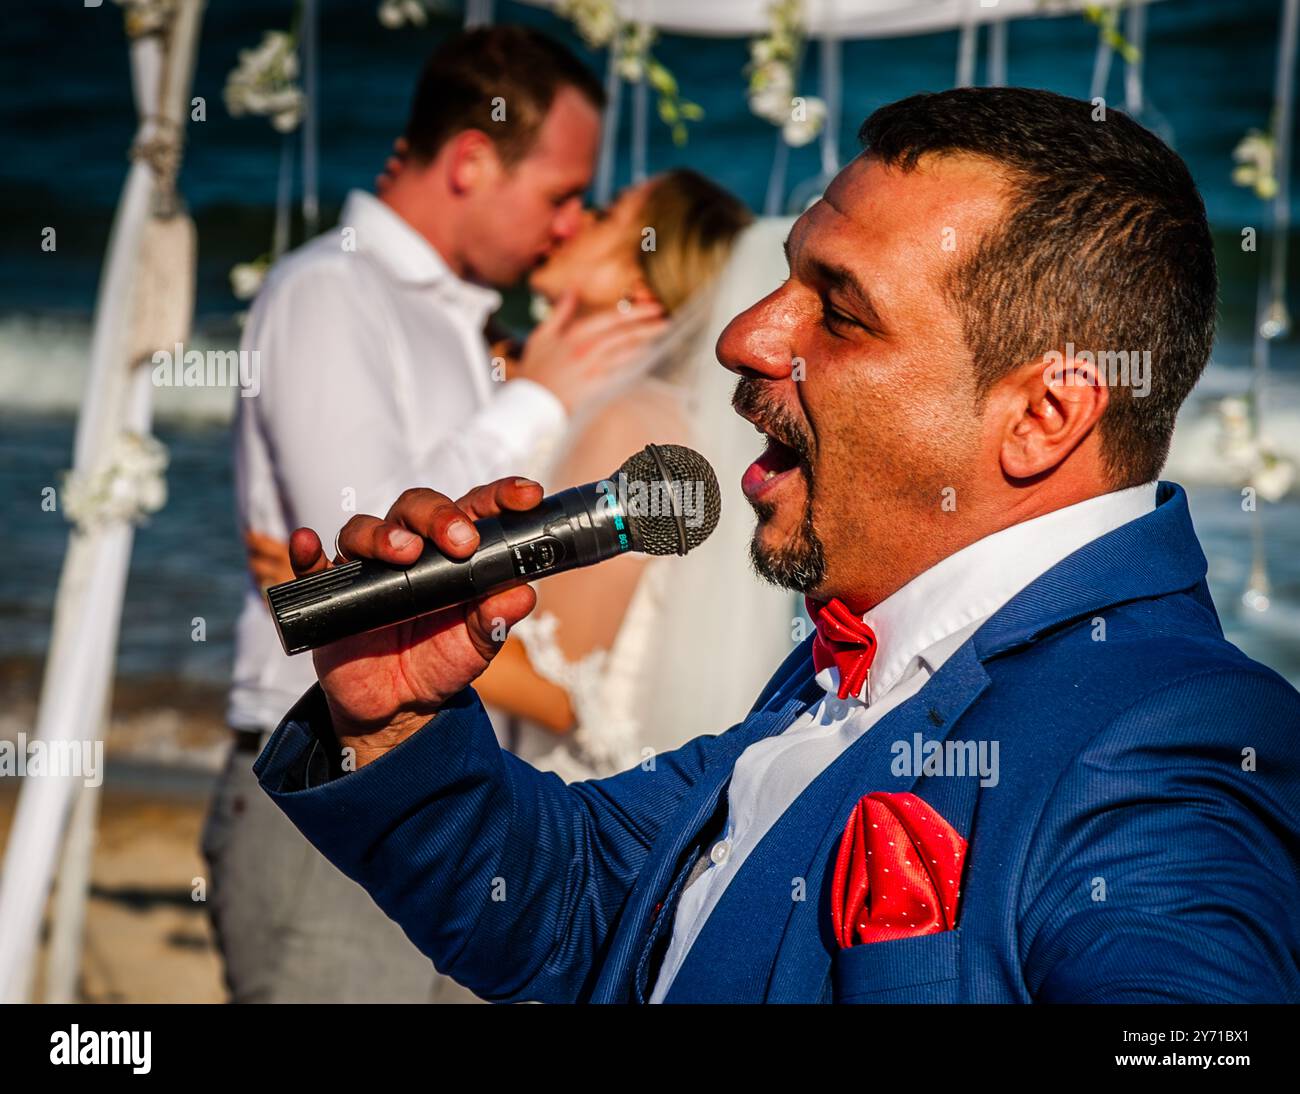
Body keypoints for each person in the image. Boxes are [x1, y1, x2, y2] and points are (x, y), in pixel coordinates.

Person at [253, 88, 1300, 1002]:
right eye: (786, 278)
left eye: (837, 313)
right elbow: (578, 906)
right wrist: (399, 722)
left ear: (1040, 416)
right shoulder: (845, 663)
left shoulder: (1166, 749)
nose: (744, 336)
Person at [203, 25, 665, 1004]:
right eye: (557, 194)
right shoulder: (332, 290)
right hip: (334, 788)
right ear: (468, 160)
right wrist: (534, 397)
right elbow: (361, 560)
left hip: (446, 782)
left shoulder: (466, 320)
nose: (567, 223)